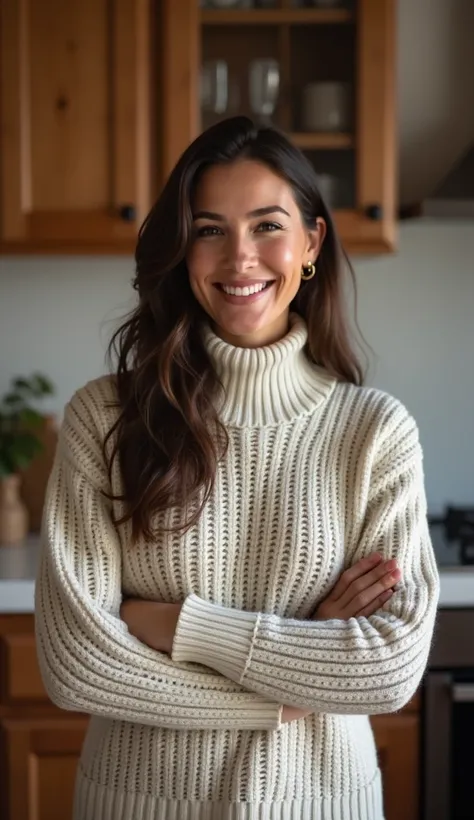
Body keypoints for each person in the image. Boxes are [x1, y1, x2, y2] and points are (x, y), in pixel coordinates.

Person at [35, 116, 439, 820]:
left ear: (311, 241)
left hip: (321, 803)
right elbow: (76, 663)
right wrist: (295, 679)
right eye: (210, 229)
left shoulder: (375, 432)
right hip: (138, 805)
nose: (240, 258)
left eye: (267, 225)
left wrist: (178, 625)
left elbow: (388, 669)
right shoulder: (105, 419)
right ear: (181, 248)